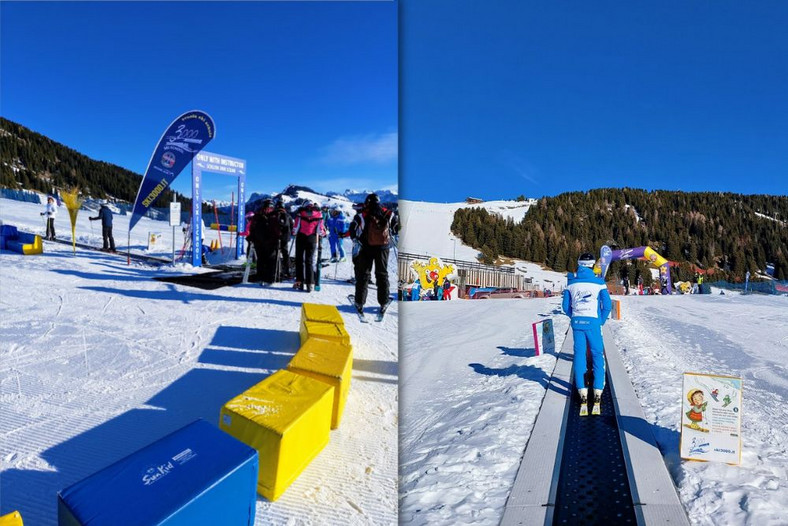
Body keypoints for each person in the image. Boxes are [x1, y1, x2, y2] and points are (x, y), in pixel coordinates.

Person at [562, 252, 612, 415]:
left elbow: (565, 307)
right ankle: (597, 392)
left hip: (577, 323)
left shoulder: (571, 282)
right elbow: (607, 305)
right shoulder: (599, 282)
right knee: (597, 355)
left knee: (579, 355)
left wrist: (574, 317)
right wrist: (600, 320)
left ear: (579, 263)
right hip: (593, 323)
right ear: (592, 265)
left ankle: (582, 392)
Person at [349, 193, 399, 314]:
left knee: (363, 275)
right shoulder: (388, 213)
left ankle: (359, 302)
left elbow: (352, 229)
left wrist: (356, 239)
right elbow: (396, 228)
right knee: (382, 274)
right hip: (383, 248)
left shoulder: (361, 214)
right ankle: (383, 301)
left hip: (366, 248)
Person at [292, 201, 325, 292]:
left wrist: (293, 232)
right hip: (312, 239)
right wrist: (324, 233)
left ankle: (299, 282)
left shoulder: (300, 214)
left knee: (299, 260)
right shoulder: (319, 215)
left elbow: (295, 229)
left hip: (301, 238)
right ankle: (310, 284)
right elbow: (320, 231)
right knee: (309, 261)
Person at [276, 200, 293, 279]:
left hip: (276, 237)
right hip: (285, 238)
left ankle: (276, 270)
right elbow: (292, 226)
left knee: (275, 253)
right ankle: (288, 271)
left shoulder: (275, 214)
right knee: (285, 253)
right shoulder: (288, 215)